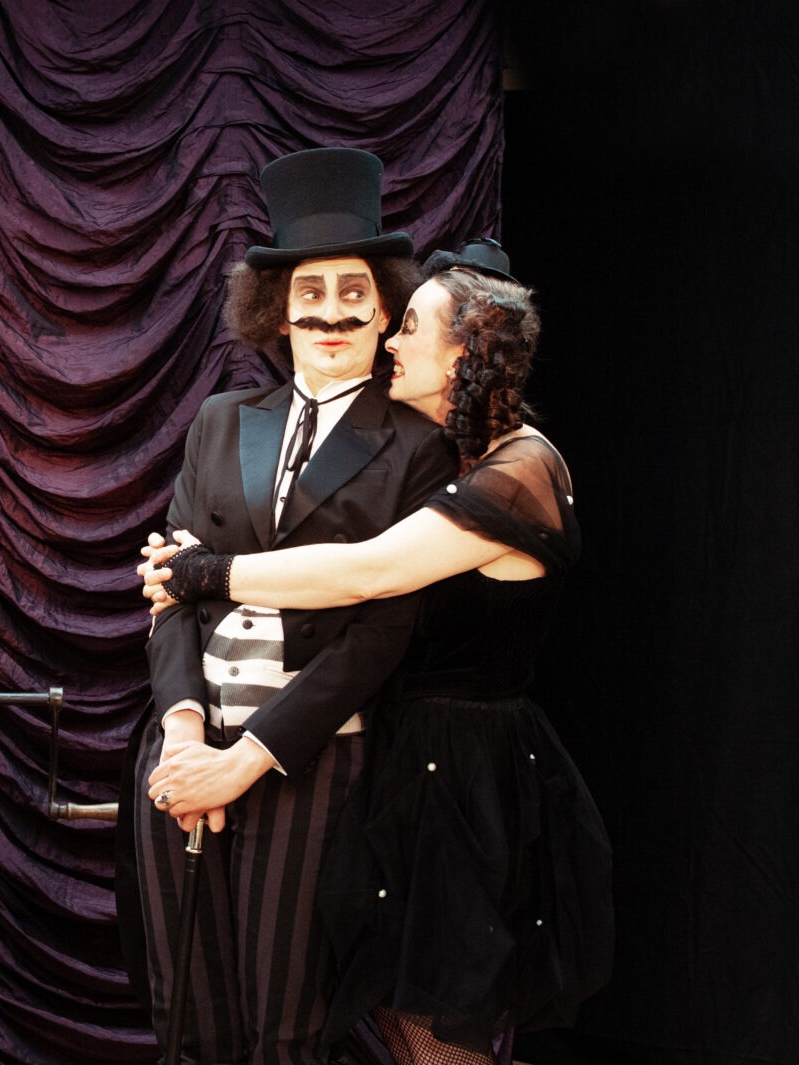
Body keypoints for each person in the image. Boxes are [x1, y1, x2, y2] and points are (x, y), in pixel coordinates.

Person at [142, 248, 614, 1065]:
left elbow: (365, 574)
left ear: (464, 352)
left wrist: (200, 573)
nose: (390, 339)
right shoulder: (460, 453)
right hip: (409, 764)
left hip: (466, 781)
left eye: (411, 326)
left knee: (440, 1036)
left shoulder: (521, 470)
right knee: (395, 1020)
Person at [131, 147, 461, 1065]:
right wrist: (185, 735)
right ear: (277, 308)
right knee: (187, 1017)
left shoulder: (417, 443)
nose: (331, 311)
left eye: (354, 291)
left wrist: (246, 762)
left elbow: (382, 632)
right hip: (185, 751)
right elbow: (170, 591)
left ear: (385, 307)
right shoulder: (220, 419)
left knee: (286, 1028)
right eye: (309, 290)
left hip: (310, 761)